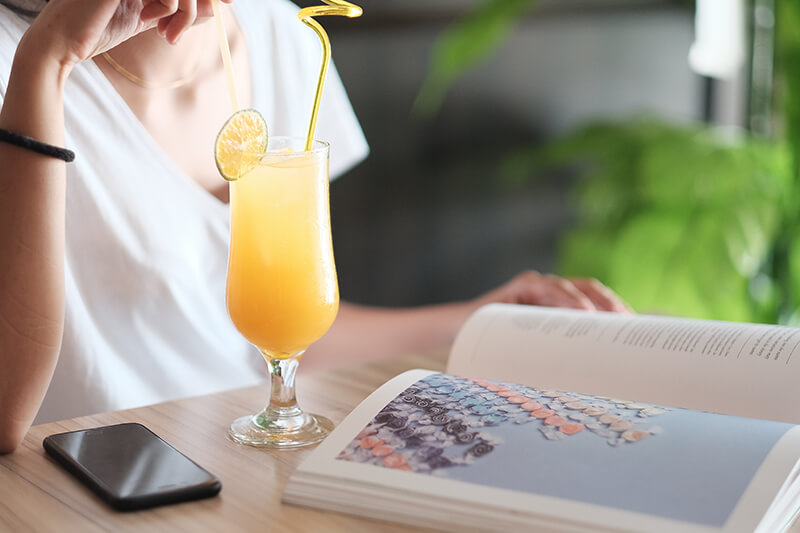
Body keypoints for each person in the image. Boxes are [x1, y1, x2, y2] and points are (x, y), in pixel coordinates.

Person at [0, 0, 629, 453]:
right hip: (91, 487)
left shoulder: (283, 31)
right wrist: (47, 61)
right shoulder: (17, 63)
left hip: (249, 462)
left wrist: (476, 319)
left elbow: (283, 331)